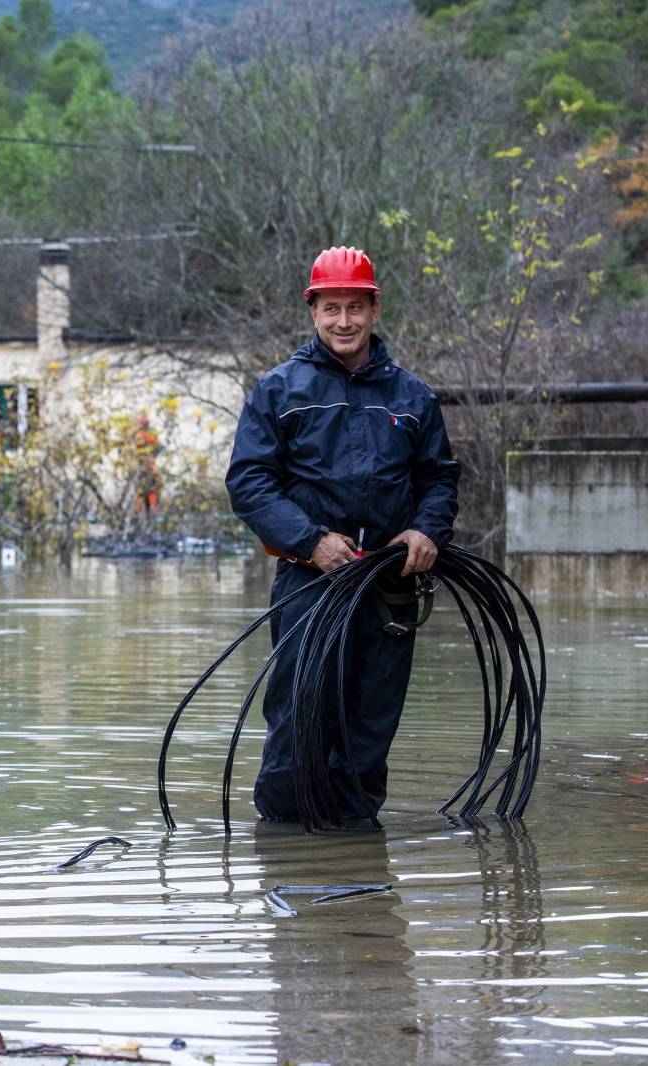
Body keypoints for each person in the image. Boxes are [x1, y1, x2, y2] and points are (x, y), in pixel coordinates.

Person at [226, 246, 459, 825]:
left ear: (375, 308)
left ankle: (356, 848)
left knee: (371, 718)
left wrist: (426, 531)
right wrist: (311, 541)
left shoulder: (413, 398)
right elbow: (249, 482)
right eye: (332, 308)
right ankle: (283, 846)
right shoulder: (279, 392)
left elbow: (439, 480)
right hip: (309, 582)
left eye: (355, 307)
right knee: (300, 713)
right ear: (313, 311)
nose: (344, 322)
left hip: (389, 584)